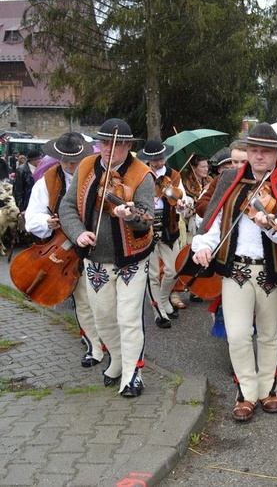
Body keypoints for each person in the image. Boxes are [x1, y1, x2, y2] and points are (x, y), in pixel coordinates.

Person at [191, 122, 277, 422]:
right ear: (247, 152)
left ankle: (268, 388)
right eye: (254, 150)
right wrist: (203, 245)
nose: (259, 156)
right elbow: (214, 222)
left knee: (267, 335)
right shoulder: (229, 180)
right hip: (235, 269)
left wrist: (269, 225)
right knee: (237, 336)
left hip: (270, 272)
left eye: (266, 151)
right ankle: (246, 392)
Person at [59, 118, 155, 398]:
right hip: (95, 258)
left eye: (116, 145)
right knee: (102, 319)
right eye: (103, 143)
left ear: (127, 146)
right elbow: (67, 206)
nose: (108, 150)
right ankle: (116, 359)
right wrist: (78, 233)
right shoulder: (86, 166)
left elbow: (146, 216)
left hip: (131, 259)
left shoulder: (141, 174)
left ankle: (132, 373)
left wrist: (132, 216)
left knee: (128, 318)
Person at [25, 132, 104, 367]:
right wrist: (45, 222)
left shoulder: (96, 176)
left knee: (104, 301)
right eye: (65, 159)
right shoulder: (47, 181)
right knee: (83, 300)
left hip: (97, 245)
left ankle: (110, 342)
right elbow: (32, 217)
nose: (70, 164)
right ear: (58, 157)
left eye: (75, 159)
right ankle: (94, 347)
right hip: (64, 250)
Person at [138, 140, 191, 330]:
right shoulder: (141, 174)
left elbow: (181, 196)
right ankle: (158, 311)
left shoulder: (174, 175)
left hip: (169, 226)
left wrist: (181, 204)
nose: (158, 163)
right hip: (148, 226)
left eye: (160, 159)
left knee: (173, 269)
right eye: (154, 160)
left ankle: (163, 298)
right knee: (152, 274)